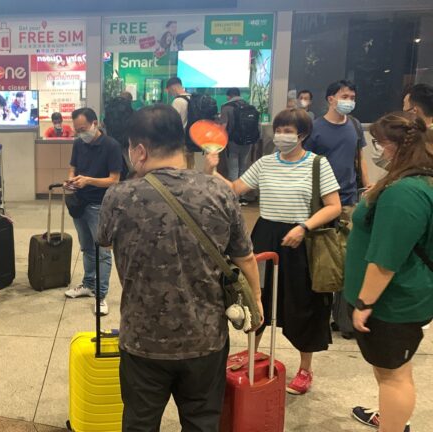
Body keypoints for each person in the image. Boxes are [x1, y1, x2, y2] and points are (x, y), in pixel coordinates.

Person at [99, 104, 262, 431]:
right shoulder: (217, 191)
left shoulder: (119, 197)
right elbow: (244, 256)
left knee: (139, 424)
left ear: (140, 150)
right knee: (202, 422)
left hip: (143, 340)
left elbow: (103, 241)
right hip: (205, 338)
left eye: (132, 148)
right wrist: (255, 298)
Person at [204, 108, 342, 395]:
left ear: (302, 134)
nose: (281, 135)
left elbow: (334, 206)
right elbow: (234, 189)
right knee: (257, 297)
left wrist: (304, 226)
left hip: (302, 240)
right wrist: (212, 170)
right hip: (266, 236)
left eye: (288, 130)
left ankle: (305, 368)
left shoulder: (318, 164)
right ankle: (252, 357)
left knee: (305, 303)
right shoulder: (265, 163)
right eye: (279, 129)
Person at [346, 112, 432, 432]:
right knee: (394, 369)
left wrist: (365, 304)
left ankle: (393, 426)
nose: (377, 151)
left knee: (393, 376)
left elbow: (386, 260)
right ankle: (391, 419)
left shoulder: (404, 192)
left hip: (391, 304)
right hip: (398, 298)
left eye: (380, 144)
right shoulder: (411, 180)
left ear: (397, 146)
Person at [63, 107, 122, 316]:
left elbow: (114, 179)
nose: (81, 133)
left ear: (95, 123)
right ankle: (88, 284)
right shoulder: (79, 143)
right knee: (86, 247)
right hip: (79, 202)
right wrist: (71, 179)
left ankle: (101, 295)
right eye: (77, 130)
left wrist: (88, 180)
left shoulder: (111, 146)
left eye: (83, 128)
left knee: (103, 251)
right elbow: (73, 166)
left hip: (100, 204)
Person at [305, 80, 370, 211]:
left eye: (352, 98)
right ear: (331, 99)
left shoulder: (355, 125)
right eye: (344, 97)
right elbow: (304, 161)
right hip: (321, 199)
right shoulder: (314, 128)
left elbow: (360, 158)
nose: (349, 101)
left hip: (348, 197)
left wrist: (367, 184)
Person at [220, 88, 253, 182]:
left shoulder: (226, 107)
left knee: (233, 169)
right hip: (248, 141)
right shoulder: (249, 106)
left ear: (229, 96)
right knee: (243, 167)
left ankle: (234, 193)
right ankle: (241, 193)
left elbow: (223, 126)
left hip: (233, 142)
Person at [166, 77, 196, 169]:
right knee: (191, 164)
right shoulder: (192, 98)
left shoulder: (177, 101)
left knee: (182, 166)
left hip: (181, 139)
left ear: (173, 88)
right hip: (192, 138)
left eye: (170, 91)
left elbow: (172, 122)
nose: (170, 94)